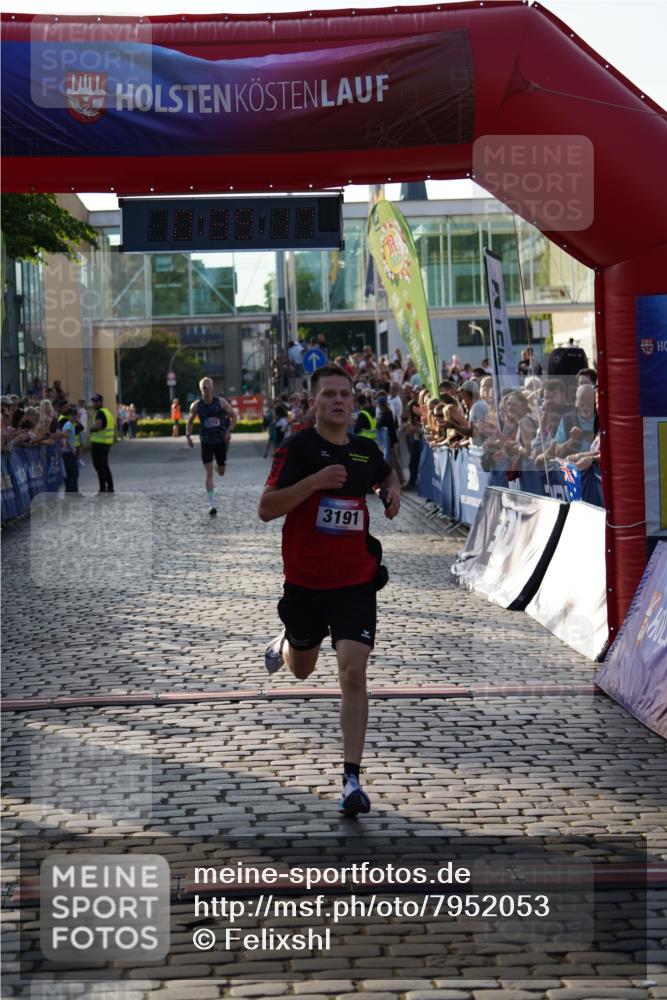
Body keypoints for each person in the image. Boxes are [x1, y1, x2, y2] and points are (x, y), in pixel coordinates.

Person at [259, 363, 400, 817]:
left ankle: (351, 781)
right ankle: (285, 643)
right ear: (313, 403)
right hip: (304, 583)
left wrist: (391, 491)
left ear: (353, 402)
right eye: (329, 395)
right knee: (301, 669)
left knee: (353, 673)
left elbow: (385, 473)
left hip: (355, 582)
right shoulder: (297, 448)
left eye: (345, 394)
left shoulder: (363, 450)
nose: (339, 401)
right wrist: (315, 483)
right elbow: (266, 508)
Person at [186, 376, 237, 516]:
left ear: (213, 388)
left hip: (220, 441)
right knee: (208, 473)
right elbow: (189, 422)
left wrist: (229, 431)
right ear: (201, 389)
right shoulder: (196, 406)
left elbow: (234, 417)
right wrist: (188, 436)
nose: (206, 389)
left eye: (208, 386)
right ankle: (211, 504)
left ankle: (218, 466)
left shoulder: (221, 403)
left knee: (221, 472)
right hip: (206, 442)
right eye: (204, 387)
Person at [89, 393, 115, 493]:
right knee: (104, 465)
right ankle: (110, 487)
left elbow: (98, 426)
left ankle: (103, 488)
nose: (94, 404)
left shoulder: (100, 412)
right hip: (106, 443)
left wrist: (91, 429)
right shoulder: (107, 411)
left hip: (99, 444)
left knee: (99, 466)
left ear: (100, 402)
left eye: (95, 402)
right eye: (93, 402)